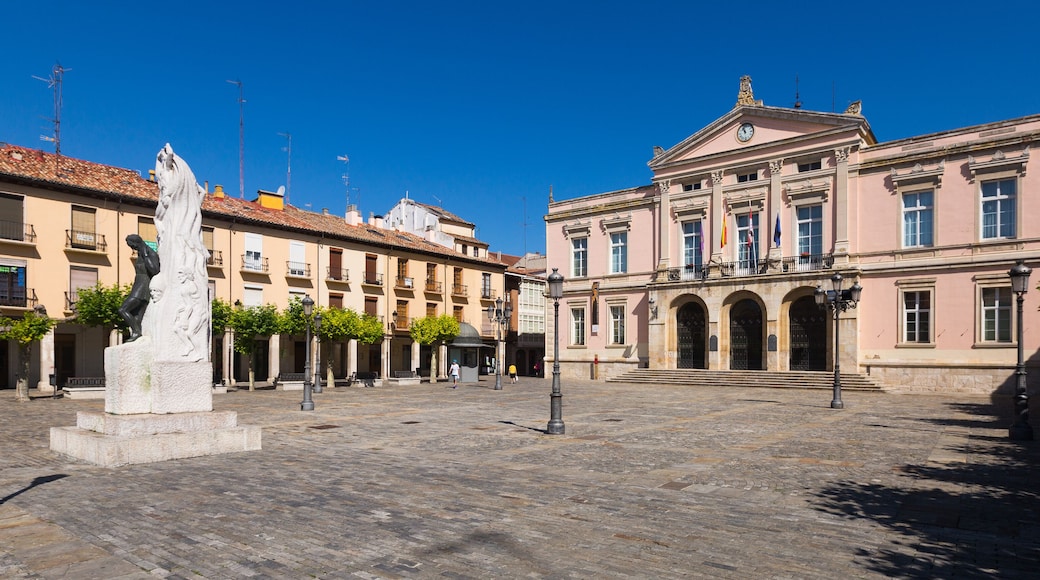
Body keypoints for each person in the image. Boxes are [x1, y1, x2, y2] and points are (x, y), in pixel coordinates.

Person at [118, 234, 160, 341]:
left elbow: (155, 270)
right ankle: (137, 335)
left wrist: (146, 255)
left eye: (132, 246)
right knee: (137, 315)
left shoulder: (149, 253)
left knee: (123, 309)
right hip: (138, 285)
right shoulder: (141, 254)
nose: (132, 248)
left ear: (137, 243)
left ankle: (136, 332)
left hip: (142, 287)